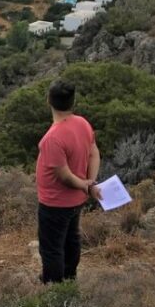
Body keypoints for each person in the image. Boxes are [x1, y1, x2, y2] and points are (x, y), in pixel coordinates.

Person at [36, 80, 101, 284]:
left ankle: (54, 288)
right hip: (76, 201)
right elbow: (94, 153)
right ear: (73, 102)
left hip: (55, 202)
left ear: (49, 101)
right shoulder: (82, 123)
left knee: (52, 248)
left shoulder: (52, 139)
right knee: (71, 240)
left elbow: (63, 176)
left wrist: (86, 185)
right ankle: (70, 278)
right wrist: (89, 182)